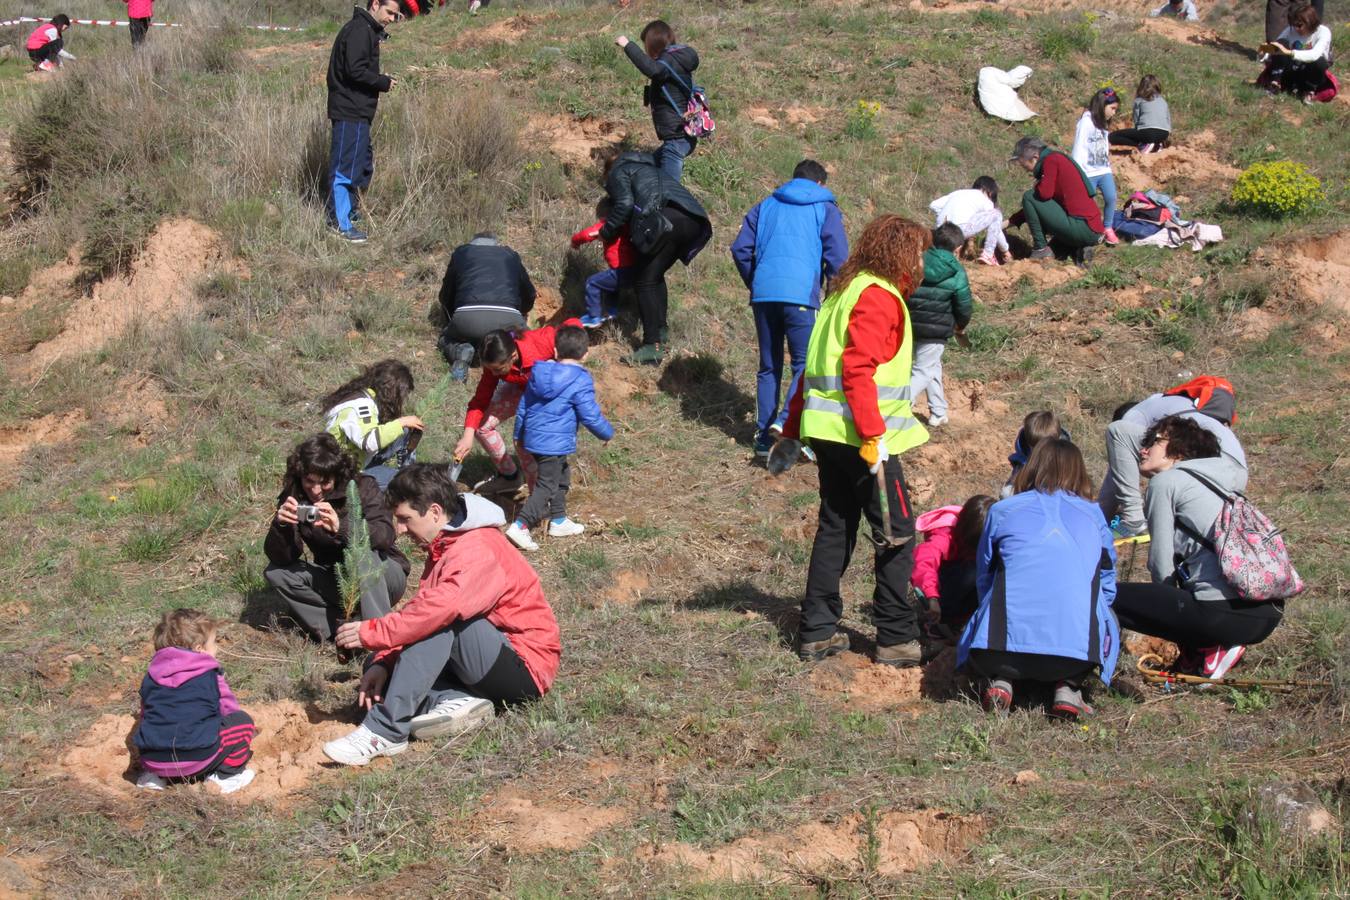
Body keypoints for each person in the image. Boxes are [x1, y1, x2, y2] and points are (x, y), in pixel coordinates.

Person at [323, 464, 561, 766]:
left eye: (405, 519)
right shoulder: (446, 544)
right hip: (482, 659)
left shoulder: (478, 547)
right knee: (386, 665)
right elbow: (423, 610)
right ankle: (454, 700)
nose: (401, 530)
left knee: (439, 623)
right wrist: (383, 661)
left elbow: (438, 611)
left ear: (434, 512)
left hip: (523, 670)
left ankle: (385, 732)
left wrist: (372, 633)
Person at [774, 215, 931, 668]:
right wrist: (874, 437)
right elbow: (857, 368)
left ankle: (818, 631)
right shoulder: (879, 297)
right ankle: (897, 638)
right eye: (918, 252)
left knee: (835, 528)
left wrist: (790, 430)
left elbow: (810, 371)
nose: (921, 261)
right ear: (901, 252)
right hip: (862, 441)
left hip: (827, 436)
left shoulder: (841, 293)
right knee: (897, 534)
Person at [958, 439, 1119, 720]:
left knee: (996, 609)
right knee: (1107, 615)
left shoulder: (1002, 511)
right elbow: (1107, 583)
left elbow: (985, 576)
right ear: (1079, 471)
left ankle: (1001, 681)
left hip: (996, 650)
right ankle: (1068, 688)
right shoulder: (1094, 515)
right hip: (1075, 657)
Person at [1113, 416, 1282, 680]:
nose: (1143, 449)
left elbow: (1160, 565)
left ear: (1179, 452)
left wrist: (1169, 616)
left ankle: (1093, 671)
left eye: (1154, 441)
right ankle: (1205, 649)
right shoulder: (1220, 484)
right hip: (1268, 613)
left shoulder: (1165, 484)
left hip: (1222, 616)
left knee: (1105, 594)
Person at [730, 159, 849, 457]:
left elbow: (740, 248)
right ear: (820, 184)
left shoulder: (766, 205)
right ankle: (786, 423)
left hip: (764, 296)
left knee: (769, 366)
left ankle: (762, 436)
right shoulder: (825, 207)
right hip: (800, 297)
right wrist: (835, 296)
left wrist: (755, 281)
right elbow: (838, 259)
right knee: (805, 364)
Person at [263, 434, 411, 642]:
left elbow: (385, 535)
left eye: (324, 483)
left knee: (363, 556)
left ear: (337, 475)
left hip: (383, 575)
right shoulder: (295, 494)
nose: (315, 490)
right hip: (337, 577)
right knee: (277, 573)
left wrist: (342, 528)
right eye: (309, 481)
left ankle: (379, 642)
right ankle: (339, 633)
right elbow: (284, 559)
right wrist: (282, 526)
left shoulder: (362, 487)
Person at [596, 149, 712, 366]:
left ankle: (652, 346)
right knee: (655, 275)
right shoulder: (654, 169)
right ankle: (661, 329)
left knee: (644, 281)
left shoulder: (619, 172)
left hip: (668, 221)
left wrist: (606, 231)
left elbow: (624, 204)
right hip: (696, 221)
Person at [505, 326, 614, 551]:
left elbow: (524, 405)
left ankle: (559, 520)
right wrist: (607, 433)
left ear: (555, 351)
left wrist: (518, 434)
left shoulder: (538, 373)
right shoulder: (580, 380)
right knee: (547, 485)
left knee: (562, 474)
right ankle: (521, 525)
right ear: (585, 354)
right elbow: (590, 415)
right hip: (553, 443)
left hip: (535, 439)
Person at [1099, 379, 1246, 538]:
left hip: (1209, 466)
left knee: (1118, 432)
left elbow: (1117, 473)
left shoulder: (1133, 414)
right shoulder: (1169, 404)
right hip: (1238, 476)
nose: (1142, 451)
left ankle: (1134, 520)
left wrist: (1098, 520)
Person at [132, 609, 257, 794]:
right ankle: (225, 777)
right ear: (200, 649)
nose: (217, 648)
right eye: (214, 643)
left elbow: (146, 714)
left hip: (153, 759)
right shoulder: (209, 673)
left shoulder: (152, 675)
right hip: (198, 757)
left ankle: (154, 777)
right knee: (242, 722)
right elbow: (229, 709)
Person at [452, 321, 582, 496]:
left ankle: (540, 496)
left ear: (513, 355)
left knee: (523, 443)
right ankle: (510, 477)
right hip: (523, 389)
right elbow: (480, 400)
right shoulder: (495, 366)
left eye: (498, 370)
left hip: (551, 392)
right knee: (481, 426)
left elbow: (573, 323)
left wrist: (568, 360)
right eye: (491, 370)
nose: (495, 375)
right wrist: (467, 435)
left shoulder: (542, 342)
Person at [326, 0, 401, 243]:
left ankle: (348, 212)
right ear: (375, 4)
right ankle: (340, 225)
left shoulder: (366, 30)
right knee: (345, 169)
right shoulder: (359, 30)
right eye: (389, 12)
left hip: (357, 113)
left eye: (395, 15)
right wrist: (382, 81)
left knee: (362, 164)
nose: (391, 18)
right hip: (351, 111)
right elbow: (355, 70)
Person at [437, 232, 537, 383]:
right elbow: (529, 293)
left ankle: (460, 352)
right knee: (527, 342)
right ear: (495, 243)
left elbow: (446, 295)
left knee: (446, 338)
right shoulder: (511, 256)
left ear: (473, 243)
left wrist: (454, 319)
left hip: (467, 317)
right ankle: (509, 365)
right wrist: (522, 312)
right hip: (508, 318)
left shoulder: (461, 253)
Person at [906, 223, 973, 429]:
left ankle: (938, 412)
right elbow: (963, 304)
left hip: (910, 324)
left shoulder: (916, 260)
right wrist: (960, 326)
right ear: (957, 249)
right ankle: (896, 407)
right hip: (936, 329)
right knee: (923, 370)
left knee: (932, 365)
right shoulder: (956, 271)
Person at [615, 20, 700, 182]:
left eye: (645, 45)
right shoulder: (674, 60)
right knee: (651, 166)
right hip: (681, 136)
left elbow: (651, 69)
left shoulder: (668, 63)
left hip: (676, 139)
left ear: (652, 45)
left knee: (669, 190)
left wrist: (627, 45)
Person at [321, 359, 424, 490]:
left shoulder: (364, 395)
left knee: (404, 431)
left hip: (356, 459)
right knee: (406, 482)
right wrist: (400, 422)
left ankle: (407, 467)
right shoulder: (361, 405)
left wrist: (402, 425)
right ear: (392, 392)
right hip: (343, 474)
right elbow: (369, 442)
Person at [1006, 136, 1105, 266]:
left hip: (1082, 226)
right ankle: (1080, 249)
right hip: (1094, 230)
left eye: (1024, 164)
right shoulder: (1057, 158)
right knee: (1053, 250)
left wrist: (1037, 185)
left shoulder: (1051, 161)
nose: (1025, 169)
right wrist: (1009, 222)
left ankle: (1040, 249)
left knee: (1028, 196)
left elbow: (1042, 195)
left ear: (1035, 157)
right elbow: (1039, 207)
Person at [911, 495, 994, 633]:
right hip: (943, 588)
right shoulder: (945, 535)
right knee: (973, 571)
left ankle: (965, 619)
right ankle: (940, 620)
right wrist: (932, 597)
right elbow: (923, 561)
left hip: (966, 589)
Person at [570, 198, 638, 330]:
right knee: (611, 286)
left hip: (621, 269)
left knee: (592, 283)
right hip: (635, 268)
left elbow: (586, 234)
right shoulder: (626, 224)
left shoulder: (608, 224)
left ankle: (593, 316)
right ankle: (611, 311)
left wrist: (574, 242)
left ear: (603, 215)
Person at [1071, 87, 1121, 247]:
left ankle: (1107, 227)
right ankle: (1090, 230)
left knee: (1111, 197)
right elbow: (1078, 147)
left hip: (1103, 169)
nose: (1114, 113)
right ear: (1102, 105)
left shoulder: (1103, 124)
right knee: (1088, 205)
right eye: (1112, 108)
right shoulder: (1085, 122)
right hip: (1087, 172)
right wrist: (1077, 173)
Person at [1259, 4, 1334, 103]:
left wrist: (1289, 52)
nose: (1296, 28)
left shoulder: (1323, 32)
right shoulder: (1291, 30)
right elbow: (1277, 47)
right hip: (1292, 70)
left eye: (1299, 25)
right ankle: (1276, 83)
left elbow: (1314, 55)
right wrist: (1265, 51)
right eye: (1294, 25)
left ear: (1310, 22)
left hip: (1309, 73)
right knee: (1282, 43)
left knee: (1320, 61)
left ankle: (1308, 91)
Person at [929, 176, 1009, 266]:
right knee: (997, 214)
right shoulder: (985, 199)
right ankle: (988, 254)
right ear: (990, 193)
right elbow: (996, 229)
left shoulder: (958, 193)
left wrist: (946, 223)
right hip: (957, 231)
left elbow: (933, 205)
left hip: (940, 230)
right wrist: (1005, 250)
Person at [1002, 410, 1070, 498]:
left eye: (1043, 449)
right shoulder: (1023, 455)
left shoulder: (1064, 458)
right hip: (1027, 492)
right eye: (1033, 447)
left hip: (1052, 493)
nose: (1037, 452)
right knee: (1006, 494)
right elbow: (1017, 477)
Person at [1108, 75, 1171, 153]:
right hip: (1164, 133)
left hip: (1147, 132)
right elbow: (1168, 120)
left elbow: (1136, 121)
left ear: (1141, 87)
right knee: (1146, 135)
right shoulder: (1163, 101)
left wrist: (1140, 136)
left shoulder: (1139, 100)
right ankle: (1156, 145)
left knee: (1112, 136)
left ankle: (1144, 145)